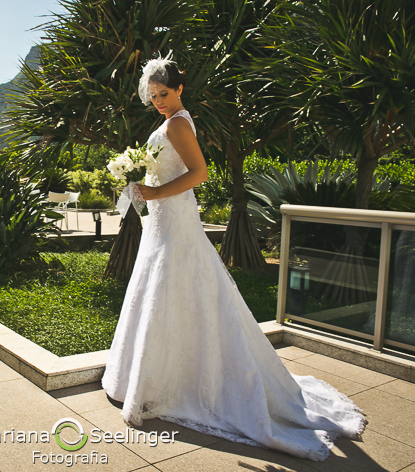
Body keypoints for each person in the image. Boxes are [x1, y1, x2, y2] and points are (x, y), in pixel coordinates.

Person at [101, 53, 366, 462]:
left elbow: (199, 173)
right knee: (163, 288)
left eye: (164, 93)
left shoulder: (177, 122)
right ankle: (158, 374)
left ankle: (190, 381)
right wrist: (141, 181)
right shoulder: (169, 120)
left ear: (180, 89)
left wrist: (153, 191)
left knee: (179, 284)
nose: (158, 100)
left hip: (175, 218)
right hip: (162, 221)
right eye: (153, 95)